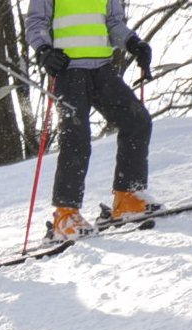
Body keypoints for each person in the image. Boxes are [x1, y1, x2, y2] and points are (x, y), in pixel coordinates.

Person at [26, 0, 157, 239]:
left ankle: (127, 197)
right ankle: (65, 214)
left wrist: (133, 43)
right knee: (76, 139)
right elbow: (36, 22)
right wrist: (44, 51)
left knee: (137, 121)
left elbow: (114, 23)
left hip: (102, 68)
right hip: (67, 70)